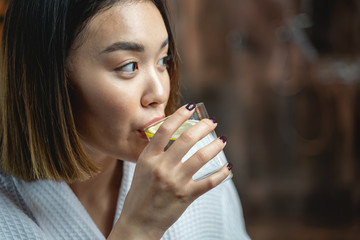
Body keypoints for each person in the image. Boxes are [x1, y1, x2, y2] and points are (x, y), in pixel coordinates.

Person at [0, 0, 250, 239]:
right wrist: (138, 229)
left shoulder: (195, 162)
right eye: (129, 66)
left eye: (163, 60)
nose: (160, 94)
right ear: (51, 79)